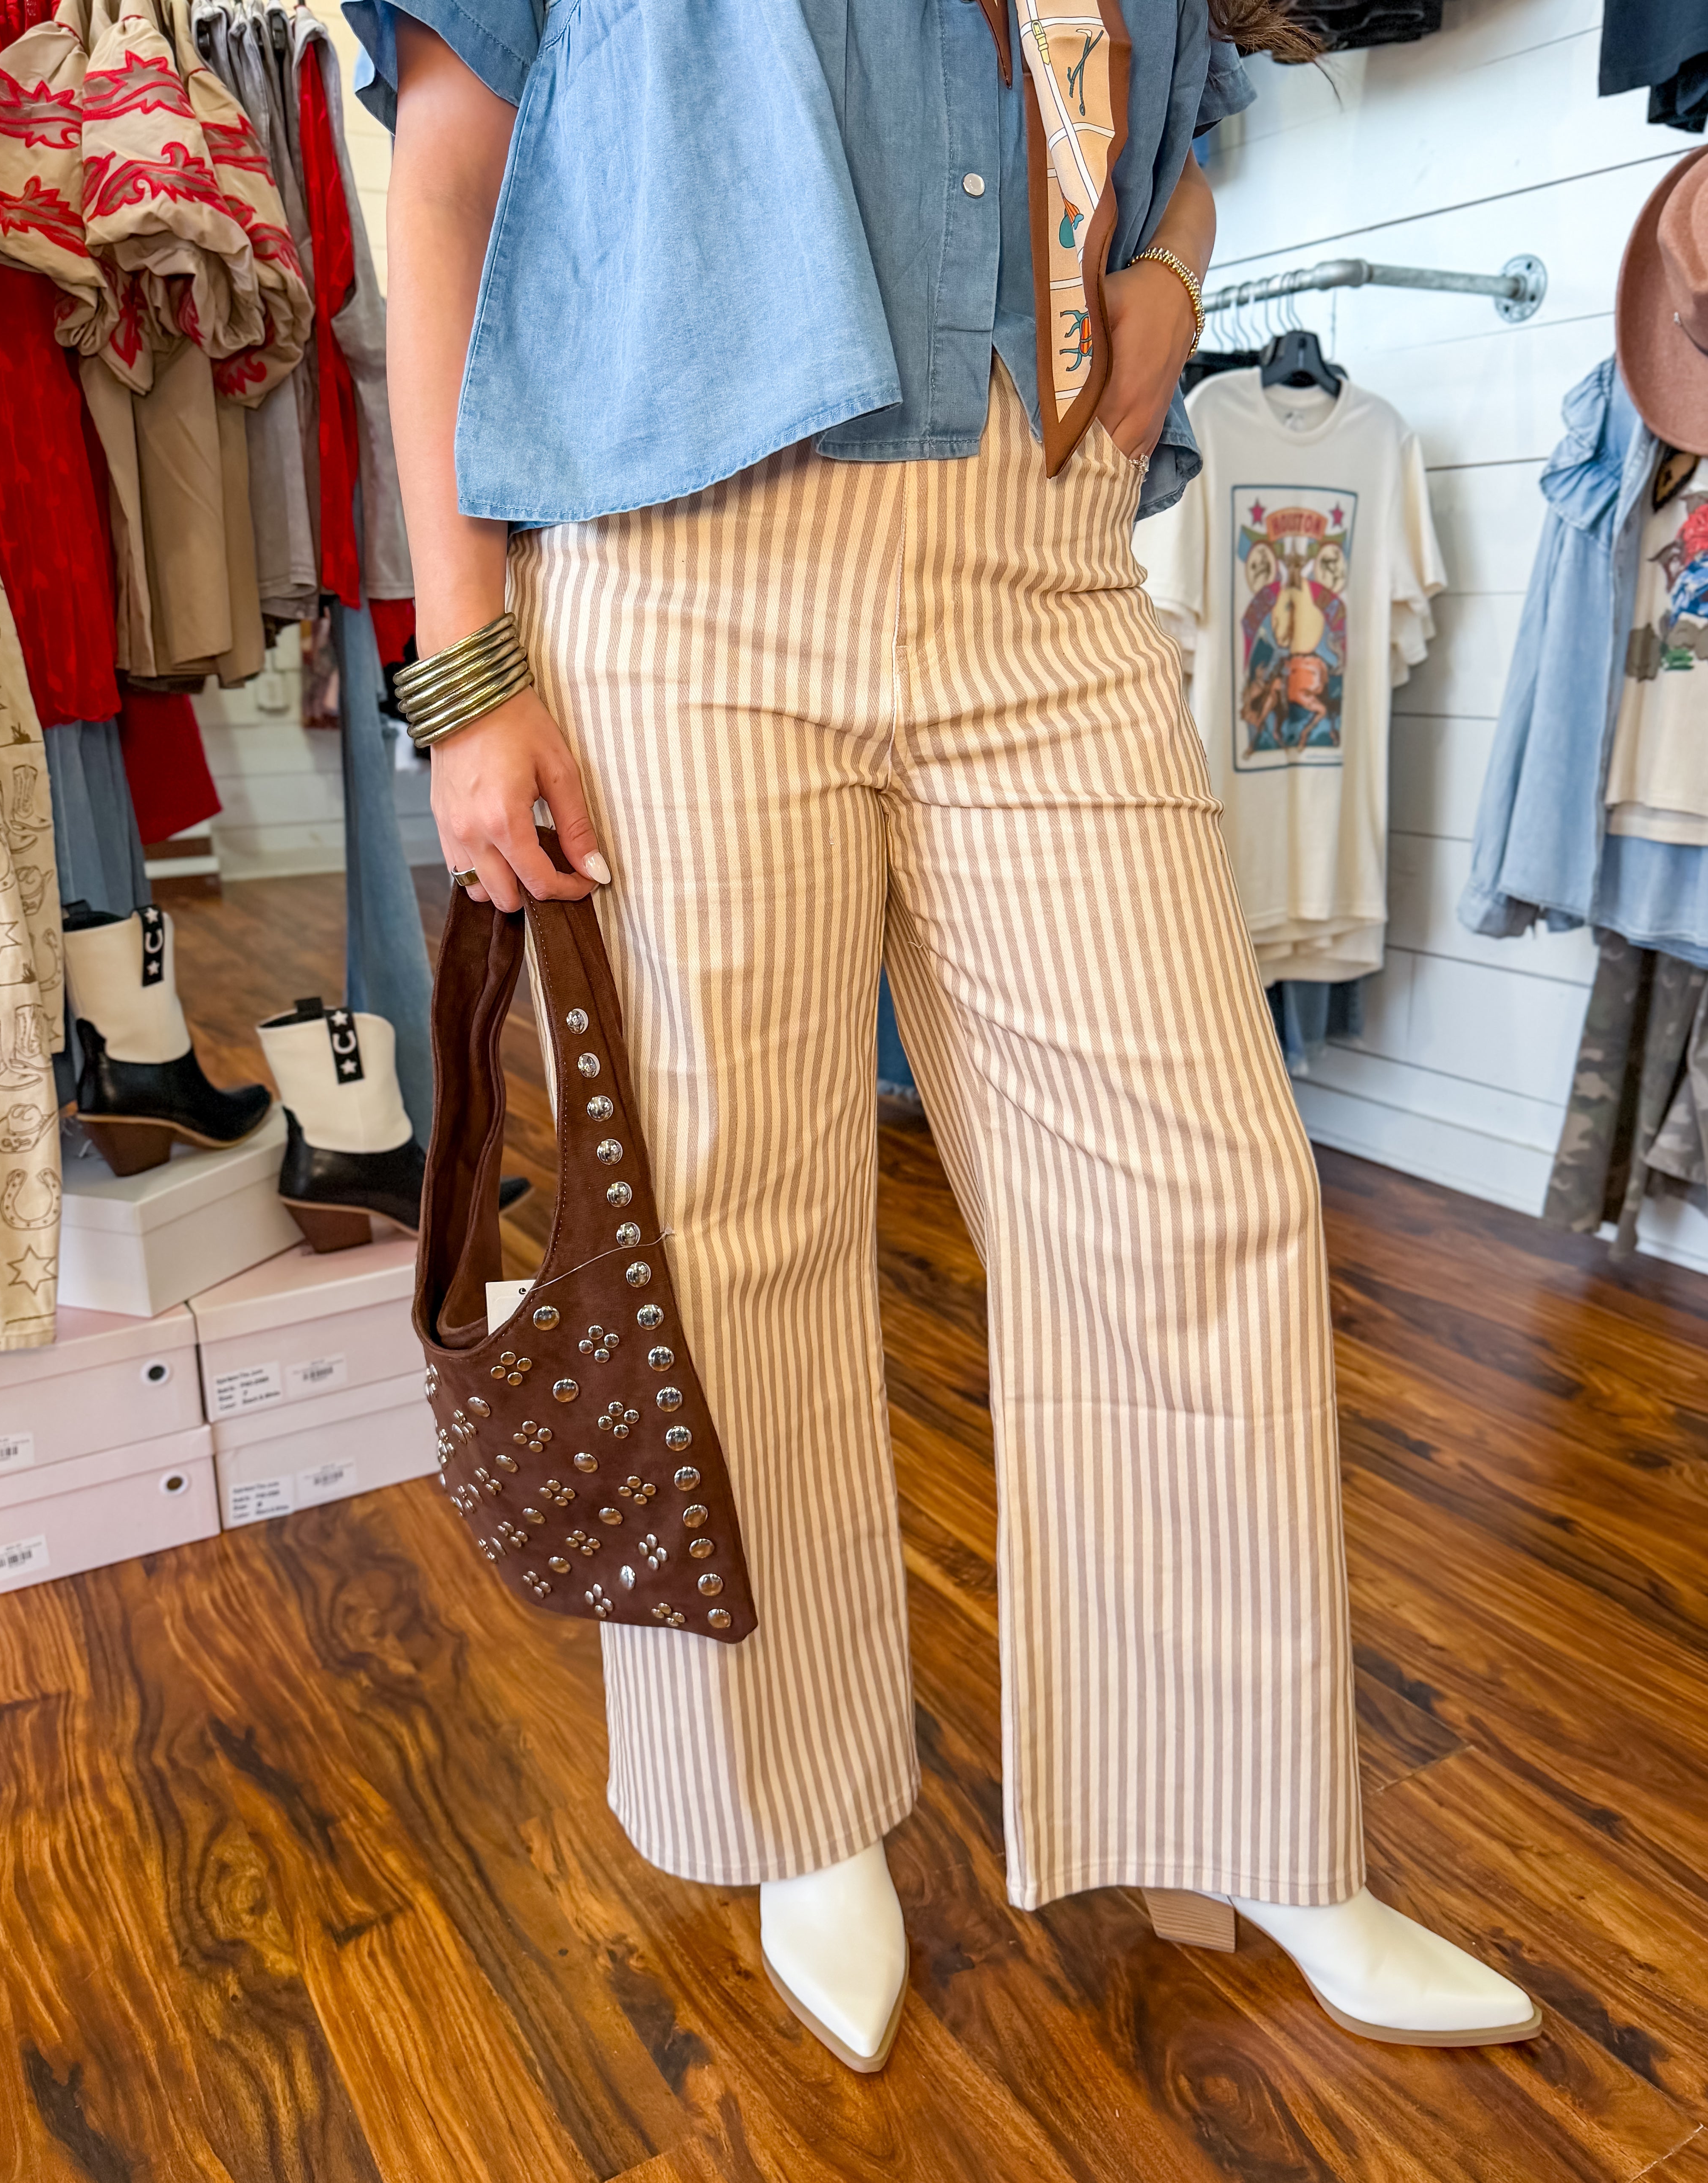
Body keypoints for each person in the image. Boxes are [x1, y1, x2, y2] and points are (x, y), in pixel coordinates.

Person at [351, 0, 1540, 2071]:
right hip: (685, 558)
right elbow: (443, 171)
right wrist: (467, 660)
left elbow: (1194, 104)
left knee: (1204, 1195)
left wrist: (1166, 281)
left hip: (1046, 562)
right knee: (735, 1212)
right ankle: (795, 1807)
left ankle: (1255, 1813)